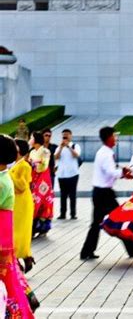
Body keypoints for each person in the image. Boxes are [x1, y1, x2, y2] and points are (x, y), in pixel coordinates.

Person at [80, 127, 133, 260]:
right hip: (104, 194)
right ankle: (132, 248)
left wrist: (122, 173)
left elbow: (111, 171)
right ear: (108, 138)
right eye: (114, 136)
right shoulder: (105, 153)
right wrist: (123, 173)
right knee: (119, 218)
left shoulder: (105, 152)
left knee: (99, 223)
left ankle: (87, 251)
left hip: (102, 192)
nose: (116, 138)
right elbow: (110, 172)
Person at [0, 134, 39, 318]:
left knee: (7, 279)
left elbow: (23, 186)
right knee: (8, 277)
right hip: (4, 235)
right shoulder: (4, 176)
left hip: (1, 236)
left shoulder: (1, 181)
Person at [10, 139, 35, 273]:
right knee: (16, 232)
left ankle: (16, 261)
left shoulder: (24, 166)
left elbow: (22, 186)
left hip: (22, 203)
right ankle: (25, 258)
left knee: (17, 233)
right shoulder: (16, 164)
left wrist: (8, 174)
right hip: (17, 202)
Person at [29, 131, 54, 236]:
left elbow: (43, 166)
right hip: (34, 179)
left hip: (43, 181)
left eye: (31, 137)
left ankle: (43, 227)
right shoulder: (32, 152)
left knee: (42, 202)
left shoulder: (45, 151)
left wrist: (33, 164)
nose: (30, 140)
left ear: (36, 140)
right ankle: (34, 227)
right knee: (34, 202)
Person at [55, 129, 81, 220]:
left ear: (71, 136)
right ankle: (62, 213)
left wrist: (68, 147)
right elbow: (55, 157)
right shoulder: (59, 147)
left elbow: (76, 155)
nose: (65, 137)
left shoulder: (75, 145)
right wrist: (61, 147)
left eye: (67, 135)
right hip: (62, 174)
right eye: (63, 136)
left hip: (73, 174)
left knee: (72, 194)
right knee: (63, 195)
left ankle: (73, 213)